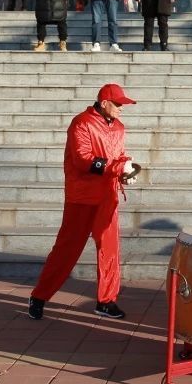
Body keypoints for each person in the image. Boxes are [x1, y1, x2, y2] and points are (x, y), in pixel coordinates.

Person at [28, 83, 138, 321]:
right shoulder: (82, 123)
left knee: (109, 249)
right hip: (82, 196)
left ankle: (106, 301)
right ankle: (39, 296)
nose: (122, 108)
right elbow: (82, 159)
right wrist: (117, 167)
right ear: (104, 102)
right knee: (67, 249)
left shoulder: (118, 127)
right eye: (118, 104)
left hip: (108, 195)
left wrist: (125, 172)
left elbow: (117, 156)